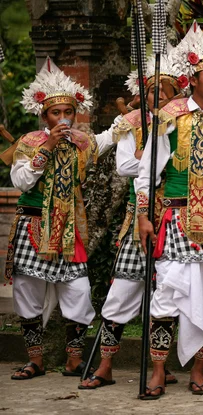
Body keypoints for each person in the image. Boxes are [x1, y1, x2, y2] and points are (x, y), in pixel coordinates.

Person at [134, 24, 203, 399]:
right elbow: (148, 171)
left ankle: (199, 371)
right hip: (176, 219)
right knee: (167, 294)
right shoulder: (169, 116)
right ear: (193, 78)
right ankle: (158, 371)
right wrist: (144, 215)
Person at [7, 58, 119, 380]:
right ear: (44, 115)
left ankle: (73, 361)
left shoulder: (82, 143)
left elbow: (109, 137)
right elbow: (21, 182)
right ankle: (35, 361)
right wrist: (47, 148)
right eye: (56, 113)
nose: (63, 118)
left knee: (79, 292)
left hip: (69, 230)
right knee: (28, 293)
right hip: (33, 225)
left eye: (68, 112)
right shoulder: (29, 142)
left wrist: (133, 114)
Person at [79, 50, 185, 389]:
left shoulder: (185, 123)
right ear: (144, 94)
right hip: (137, 218)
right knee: (122, 290)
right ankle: (105, 365)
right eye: (154, 91)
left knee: (168, 292)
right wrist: (148, 156)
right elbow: (125, 167)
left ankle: (160, 367)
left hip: (175, 219)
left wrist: (157, 157)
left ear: (178, 94)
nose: (160, 97)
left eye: (167, 92)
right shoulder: (132, 122)